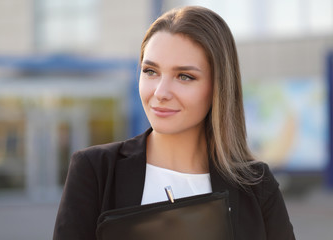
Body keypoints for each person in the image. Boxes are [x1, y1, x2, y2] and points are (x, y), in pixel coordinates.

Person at [53, 6, 295, 240]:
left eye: (184, 76)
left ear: (218, 87)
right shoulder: (95, 171)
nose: (160, 92)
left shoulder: (257, 185)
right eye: (150, 71)